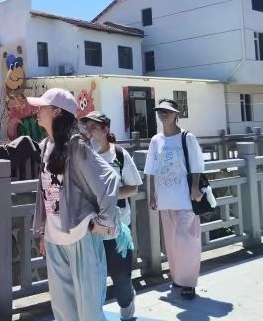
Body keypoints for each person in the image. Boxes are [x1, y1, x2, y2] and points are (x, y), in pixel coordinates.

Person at [30, 88, 120, 321]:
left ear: (57, 112)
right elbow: (45, 193)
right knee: (62, 308)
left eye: (42, 107)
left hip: (80, 234)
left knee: (89, 309)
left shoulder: (76, 146)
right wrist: (42, 231)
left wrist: (103, 222)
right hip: (54, 237)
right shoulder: (44, 146)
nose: (37, 111)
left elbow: (109, 178)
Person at [81, 111, 143, 320]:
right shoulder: (84, 156)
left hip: (118, 226)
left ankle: (126, 306)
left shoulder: (119, 155)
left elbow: (133, 187)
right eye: (86, 128)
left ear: (105, 129)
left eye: (93, 127)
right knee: (93, 276)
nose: (89, 132)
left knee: (121, 276)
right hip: (90, 227)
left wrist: (109, 196)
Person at [144, 98, 204, 299]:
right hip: (165, 197)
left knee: (187, 240)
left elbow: (196, 164)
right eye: (160, 111)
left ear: (176, 114)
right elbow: (151, 169)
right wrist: (152, 193)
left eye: (167, 111)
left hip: (185, 197)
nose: (163, 114)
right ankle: (178, 278)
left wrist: (195, 187)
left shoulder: (187, 137)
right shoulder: (156, 140)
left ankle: (189, 282)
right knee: (171, 240)